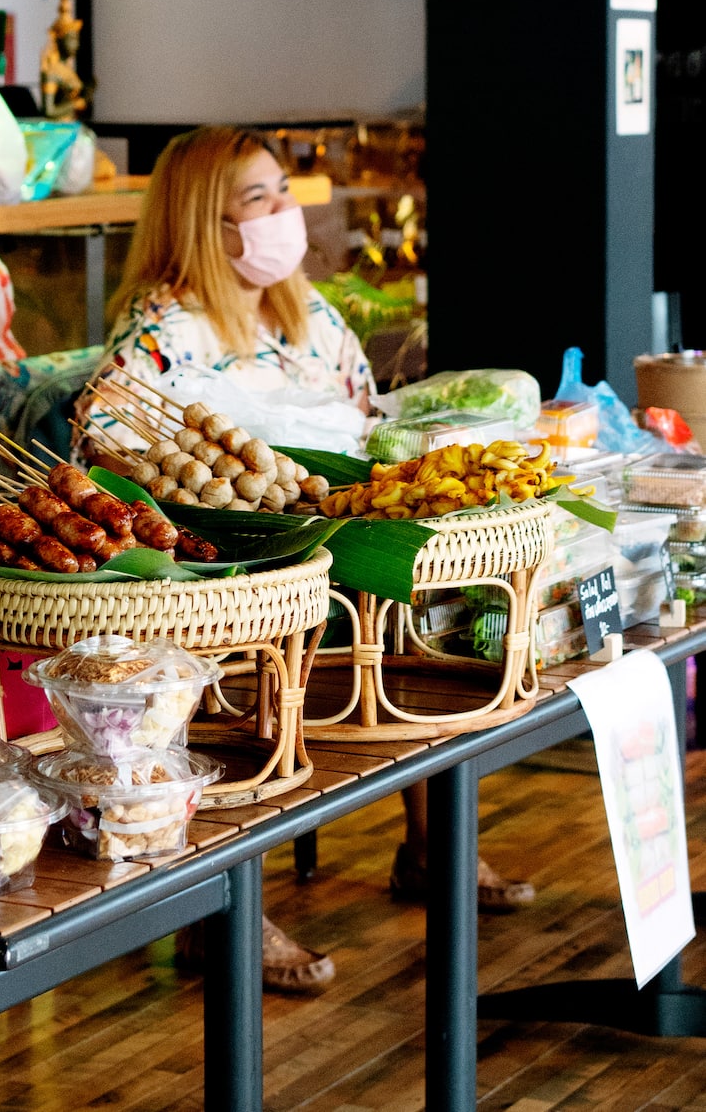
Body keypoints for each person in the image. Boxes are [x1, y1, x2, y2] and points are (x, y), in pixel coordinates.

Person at [72, 124, 533, 994]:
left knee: (428, 588)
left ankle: (434, 836)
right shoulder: (162, 332)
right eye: (261, 199)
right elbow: (110, 451)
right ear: (206, 222)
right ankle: (217, 903)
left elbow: (368, 417)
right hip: (241, 564)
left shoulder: (304, 310)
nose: (288, 213)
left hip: (334, 533)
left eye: (285, 191)